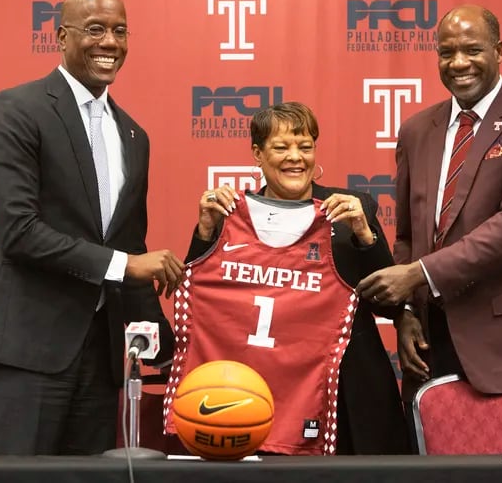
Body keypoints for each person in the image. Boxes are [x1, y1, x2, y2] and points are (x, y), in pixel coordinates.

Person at [0, 0, 185, 455]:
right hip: (24, 351)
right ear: (61, 36)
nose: (110, 42)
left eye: (120, 31)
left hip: (100, 359)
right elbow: (19, 232)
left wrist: (169, 344)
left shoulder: (133, 134)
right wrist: (126, 265)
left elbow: (128, 243)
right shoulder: (17, 109)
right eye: (95, 29)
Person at [356, 4, 502, 447]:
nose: (458, 63)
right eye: (447, 52)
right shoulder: (415, 130)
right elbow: (407, 235)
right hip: (433, 347)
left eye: (472, 50)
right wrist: (406, 312)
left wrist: (418, 275)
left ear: (499, 51)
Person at [175, 102, 410, 455]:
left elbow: (388, 303)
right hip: (258, 385)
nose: (295, 158)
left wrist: (365, 235)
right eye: (281, 147)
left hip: (343, 387)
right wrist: (206, 233)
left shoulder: (351, 208)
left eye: (305, 146)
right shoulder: (229, 215)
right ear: (257, 153)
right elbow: (198, 300)